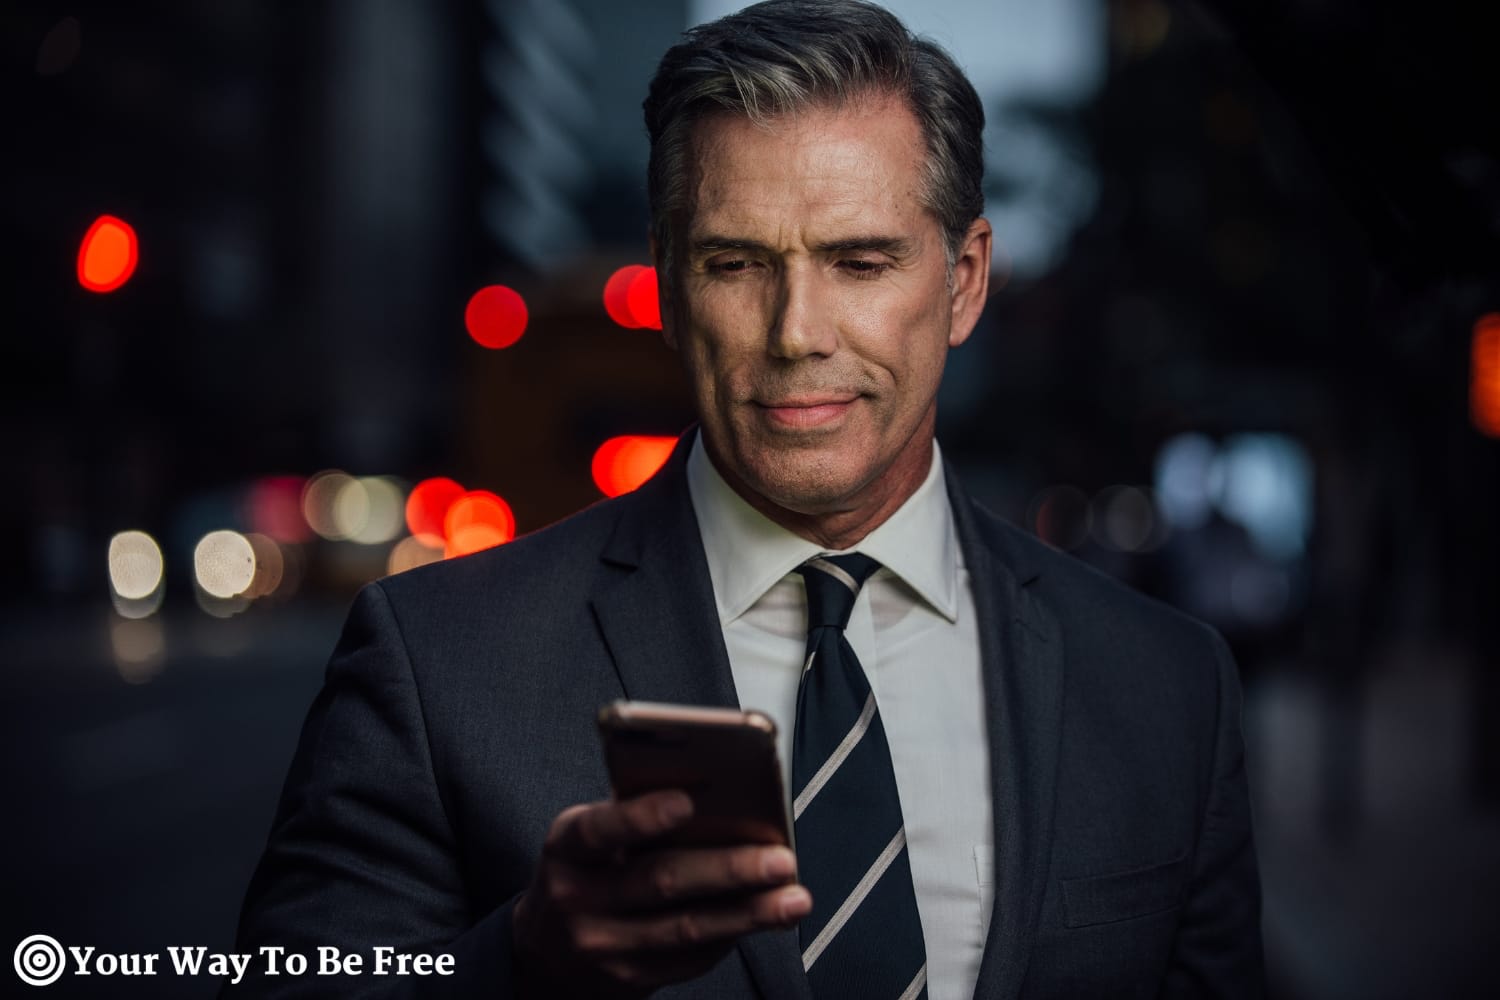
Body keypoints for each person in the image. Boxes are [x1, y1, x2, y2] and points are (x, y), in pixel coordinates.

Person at [229, 1, 1263, 997]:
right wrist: (524, 961)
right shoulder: (436, 661)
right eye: (736, 263)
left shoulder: (1167, 688)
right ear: (673, 289)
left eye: (860, 261)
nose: (796, 331)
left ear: (964, 281)